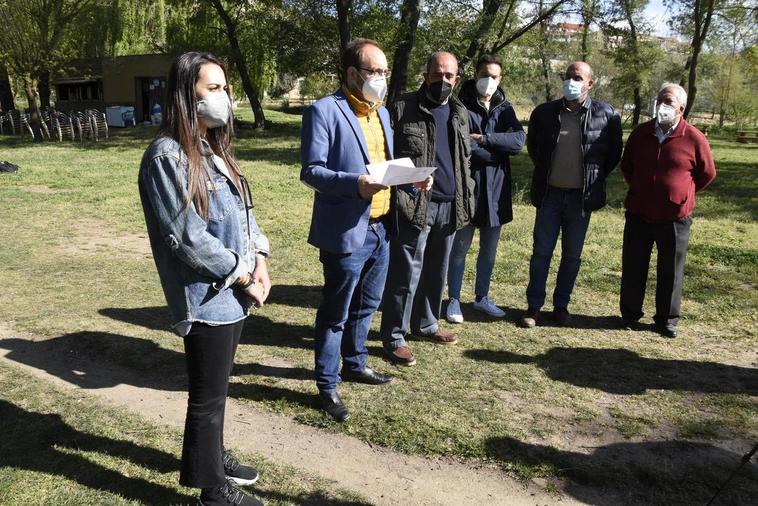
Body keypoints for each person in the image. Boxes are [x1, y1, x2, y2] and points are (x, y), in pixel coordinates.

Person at [138, 52, 270, 506]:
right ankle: (211, 490)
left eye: (225, 88)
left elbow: (245, 214)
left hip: (233, 291)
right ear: (185, 95)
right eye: (213, 89)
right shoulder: (166, 157)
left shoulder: (213, 147)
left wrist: (262, 261)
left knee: (218, 388)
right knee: (207, 397)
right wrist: (241, 274)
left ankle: (212, 455)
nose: (224, 98)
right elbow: (187, 239)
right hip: (207, 297)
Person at [300, 39, 431, 422]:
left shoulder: (382, 113)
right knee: (336, 312)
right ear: (353, 74)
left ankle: (355, 363)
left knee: (367, 305)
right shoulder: (324, 111)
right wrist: (354, 183)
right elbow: (312, 171)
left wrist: (409, 180)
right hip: (345, 231)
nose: (382, 78)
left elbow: (384, 168)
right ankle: (327, 385)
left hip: (381, 228)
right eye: (375, 71)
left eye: (385, 71)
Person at [380, 51, 475, 365]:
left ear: (457, 79)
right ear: (426, 75)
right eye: (437, 74)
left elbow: (465, 160)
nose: (443, 81)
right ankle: (395, 335)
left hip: (450, 204)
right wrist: (407, 183)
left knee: (438, 270)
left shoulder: (461, 112)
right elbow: (384, 157)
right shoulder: (403, 108)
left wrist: (467, 195)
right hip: (414, 203)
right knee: (406, 271)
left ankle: (428, 323)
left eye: (449, 76)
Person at [521, 61, 622, 328]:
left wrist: (589, 177)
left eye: (577, 77)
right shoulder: (544, 113)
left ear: (590, 83)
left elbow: (612, 155)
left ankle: (561, 306)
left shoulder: (607, 115)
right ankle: (533, 307)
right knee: (541, 252)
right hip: (549, 195)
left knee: (572, 256)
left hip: (581, 198)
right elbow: (534, 149)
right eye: (567, 76)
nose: (571, 81)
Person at [619, 83, 716, 338]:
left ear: (681, 109)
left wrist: (683, 194)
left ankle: (667, 320)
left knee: (671, 271)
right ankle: (630, 314)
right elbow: (627, 165)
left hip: (674, 218)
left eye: (669, 102)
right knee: (634, 266)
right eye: (660, 99)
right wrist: (641, 188)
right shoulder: (641, 133)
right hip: (639, 213)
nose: (663, 105)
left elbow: (707, 173)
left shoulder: (694, 137)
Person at [446, 54, 525, 323]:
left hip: (496, 191)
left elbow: (517, 142)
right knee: (460, 248)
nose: (488, 81)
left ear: (500, 79)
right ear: (475, 75)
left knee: (489, 250)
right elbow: (464, 146)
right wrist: (495, 151)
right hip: (468, 188)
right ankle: (453, 299)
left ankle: (482, 298)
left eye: (494, 76)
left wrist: (486, 138)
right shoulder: (460, 105)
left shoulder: (505, 108)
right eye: (484, 75)